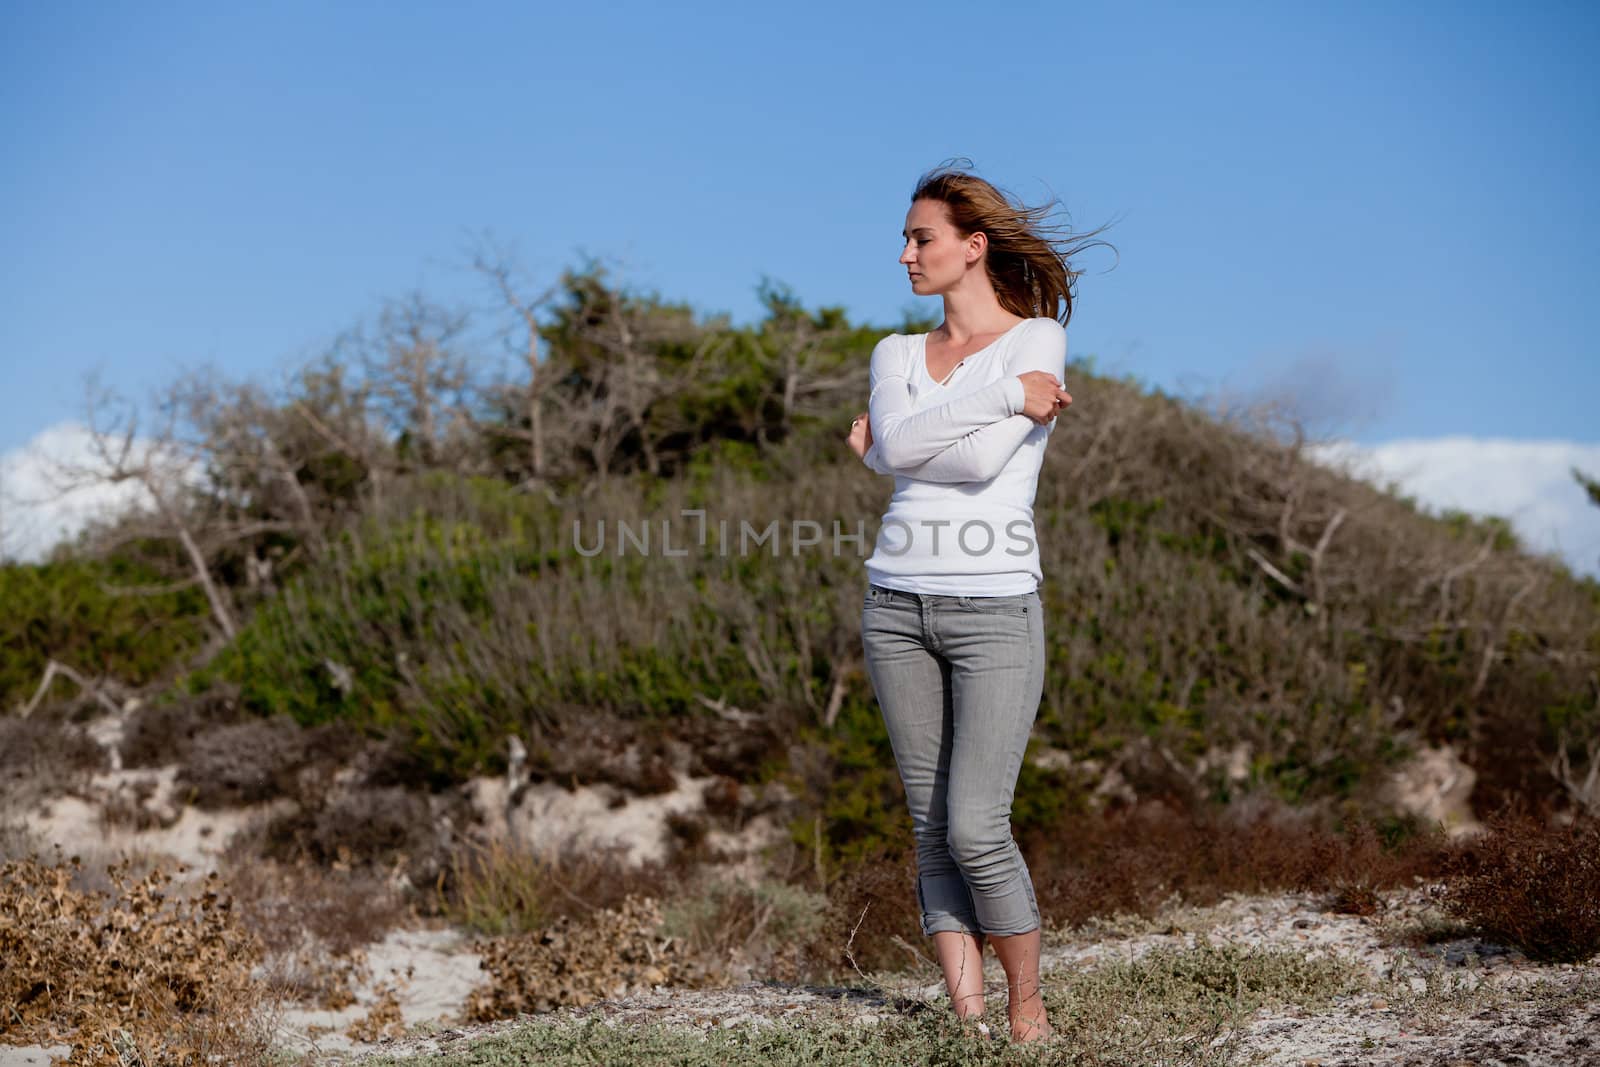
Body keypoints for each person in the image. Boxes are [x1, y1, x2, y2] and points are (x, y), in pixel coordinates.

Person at [845, 162, 1101, 1044]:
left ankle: (1028, 1011)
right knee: (928, 827)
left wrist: (890, 451)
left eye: (922, 238)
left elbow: (972, 464)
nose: (905, 253)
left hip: (995, 609)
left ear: (972, 247)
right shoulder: (894, 353)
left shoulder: (1037, 341)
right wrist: (986, 404)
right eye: (907, 238)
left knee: (975, 823)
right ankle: (970, 1023)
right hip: (895, 604)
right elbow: (927, 447)